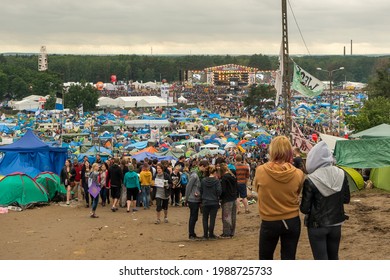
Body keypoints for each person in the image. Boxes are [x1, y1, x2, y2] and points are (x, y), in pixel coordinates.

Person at [253, 136, 305, 260]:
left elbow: (258, 190)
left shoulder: (260, 171)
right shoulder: (298, 174)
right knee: (289, 257)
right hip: (291, 219)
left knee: (265, 258)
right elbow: (297, 193)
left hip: (269, 220)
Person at [300, 141, 350, 260]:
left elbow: (304, 208)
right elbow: (346, 199)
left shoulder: (311, 179)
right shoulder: (341, 174)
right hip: (336, 223)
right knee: (334, 258)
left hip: (317, 225)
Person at [200, 165, 222, 240]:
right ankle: (211, 234)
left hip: (205, 201)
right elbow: (219, 191)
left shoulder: (203, 180)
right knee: (212, 219)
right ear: (214, 172)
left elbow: (201, 190)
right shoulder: (216, 181)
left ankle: (205, 235)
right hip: (214, 201)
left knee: (205, 218)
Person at [219, 163, 238, 238]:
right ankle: (232, 232)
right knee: (233, 216)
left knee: (226, 216)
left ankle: (226, 233)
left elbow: (223, 190)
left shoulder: (224, 178)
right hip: (233, 198)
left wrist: (220, 197)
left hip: (227, 198)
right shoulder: (232, 176)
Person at [184, 161, 202, 240]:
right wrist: (186, 198)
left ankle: (192, 233)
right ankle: (191, 234)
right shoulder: (194, 176)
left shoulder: (196, 175)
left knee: (194, 217)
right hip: (192, 199)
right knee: (193, 217)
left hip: (195, 198)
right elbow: (188, 187)